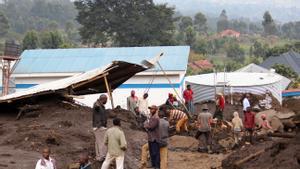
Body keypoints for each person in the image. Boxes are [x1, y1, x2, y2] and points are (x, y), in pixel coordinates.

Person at [92, 94, 108, 161]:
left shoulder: (101, 105)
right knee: (102, 142)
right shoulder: (97, 104)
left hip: (99, 126)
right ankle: (102, 156)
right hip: (99, 126)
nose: (106, 101)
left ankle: (98, 156)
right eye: (106, 100)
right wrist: (98, 102)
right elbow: (96, 106)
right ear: (103, 99)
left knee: (98, 142)